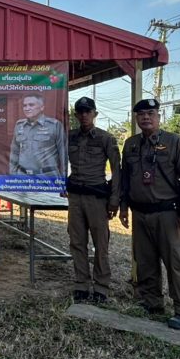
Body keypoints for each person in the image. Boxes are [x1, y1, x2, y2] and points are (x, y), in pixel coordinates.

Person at [119, 98, 180, 331]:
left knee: (175, 262)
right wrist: (123, 207)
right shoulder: (131, 144)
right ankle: (152, 302)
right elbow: (125, 179)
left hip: (168, 213)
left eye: (150, 113)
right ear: (136, 118)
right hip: (140, 213)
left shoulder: (174, 142)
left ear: (158, 117)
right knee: (145, 261)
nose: (145, 117)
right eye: (141, 114)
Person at [66, 97, 121, 304]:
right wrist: (60, 183)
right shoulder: (70, 137)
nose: (84, 115)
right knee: (77, 242)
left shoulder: (106, 138)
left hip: (97, 198)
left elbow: (117, 170)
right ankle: (81, 283)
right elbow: (54, 160)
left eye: (88, 111)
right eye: (80, 112)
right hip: (76, 197)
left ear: (95, 114)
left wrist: (114, 199)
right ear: (76, 115)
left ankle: (101, 286)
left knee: (100, 244)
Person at [9, 92, 66, 176]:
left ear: (42, 107)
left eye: (31, 105)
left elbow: (63, 154)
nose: (27, 108)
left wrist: (62, 179)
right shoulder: (19, 125)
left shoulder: (54, 125)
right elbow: (14, 152)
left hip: (47, 177)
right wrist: (13, 174)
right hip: (23, 178)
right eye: (25, 105)